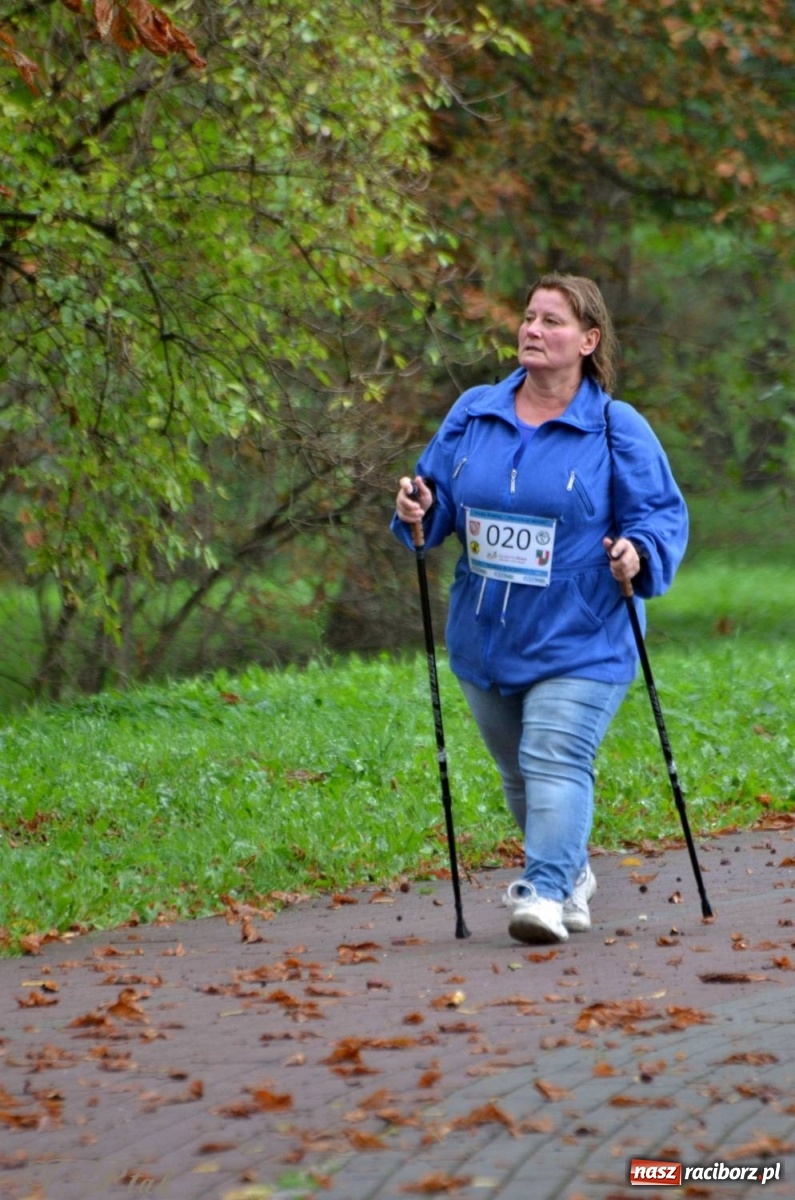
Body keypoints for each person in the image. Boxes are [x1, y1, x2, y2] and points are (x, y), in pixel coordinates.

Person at [391, 273, 688, 945]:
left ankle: (545, 891)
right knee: (518, 771)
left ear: (587, 341)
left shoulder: (616, 427)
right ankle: (569, 870)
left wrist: (635, 554)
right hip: (486, 632)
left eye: (551, 321)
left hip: (583, 632)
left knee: (552, 754)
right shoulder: (473, 411)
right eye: (528, 317)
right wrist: (416, 506)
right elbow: (431, 498)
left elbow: (658, 516)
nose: (532, 329)